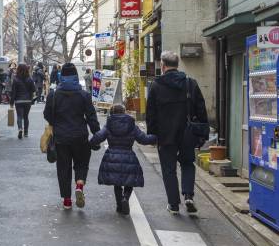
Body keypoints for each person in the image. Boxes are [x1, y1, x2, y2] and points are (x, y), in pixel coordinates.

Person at [147, 50, 208, 216]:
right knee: (188, 163)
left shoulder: (156, 85)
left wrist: (152, 134)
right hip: (188, 133)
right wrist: (203, 133)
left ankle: (174, 204)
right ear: (177, 65)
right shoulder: (190, 83)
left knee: (169, 169)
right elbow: (201, 110)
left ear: (163, 65)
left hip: (165, 134)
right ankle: (188, 195)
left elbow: (150, 113)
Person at [44, 63, 100, 209]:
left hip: (61, 138)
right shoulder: (84, 95)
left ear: (61, 76)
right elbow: (91, 117)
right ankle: (79, 185)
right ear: (76, 76)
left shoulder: (54, 94)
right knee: (81, 163)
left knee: (63, 168)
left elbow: (47, 115)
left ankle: (67, 200)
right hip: (80, 136)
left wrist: (55, 121)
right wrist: (97, 135)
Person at [89, 104, 156, 215]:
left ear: (112, 112)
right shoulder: (131, 124)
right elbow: (143, 139)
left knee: (117, 182)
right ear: (124, 112)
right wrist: (156, 137)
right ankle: (125, 197)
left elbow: (99, 136)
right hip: (128, 156)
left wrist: (90, 143)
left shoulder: (109, 124)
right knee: (129, 181)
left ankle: (119, 206)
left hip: (112, 156)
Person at [10, 63, 36, 139]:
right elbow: (34, 90)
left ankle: (20, 129)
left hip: (18, 101)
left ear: (18, 70)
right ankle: (26, 133)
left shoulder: (15, 79)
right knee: (26, 117)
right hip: (28, 101)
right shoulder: (30, 79)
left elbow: (13, 92)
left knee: (19, 116)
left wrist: (11, 102)